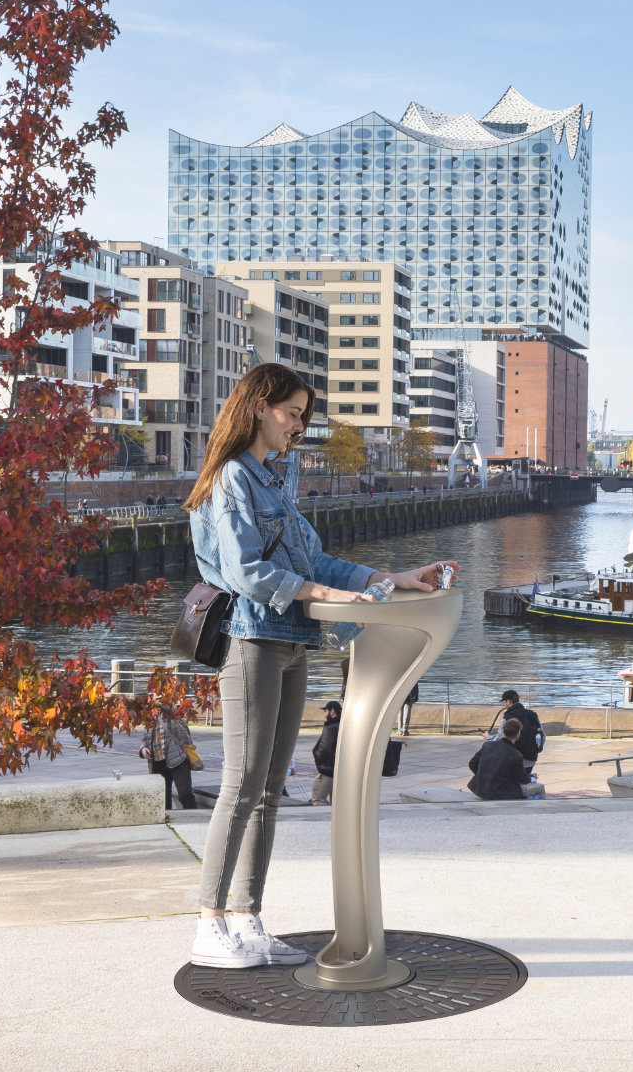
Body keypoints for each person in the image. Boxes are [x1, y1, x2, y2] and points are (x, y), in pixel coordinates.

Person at [184, 362, 457, 970]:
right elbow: (247, 573)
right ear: (259, 407)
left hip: (292, 642)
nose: (298, 426)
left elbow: (316, 561)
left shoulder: (275, 480)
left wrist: (391, 578)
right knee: (241, 786)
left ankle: (247, 919)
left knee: (269, 792)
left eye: (303, 416)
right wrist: (324, 595)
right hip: (251, 641)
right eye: (292, 413)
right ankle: (209, 925)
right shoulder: (232, 478)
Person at [138, 705, 197, 810]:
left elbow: (184, 733)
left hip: (178, 759)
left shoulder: (173, 712)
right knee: (163, 799)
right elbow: (145, 738)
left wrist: (167, 708)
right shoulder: (149, 716)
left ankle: (194, 817)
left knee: (185, 794)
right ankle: (167, 819)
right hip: (157, 762)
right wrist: (143, 749)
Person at [467, 718, 532, 800]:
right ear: (518, 734)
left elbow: (472, 763)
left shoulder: (488, 745)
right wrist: (531, 776)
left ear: (503, 732)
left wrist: (483, 776)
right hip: (500, 793)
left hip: (480, 789)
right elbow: (523, 779)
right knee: (539, 788)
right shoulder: (516, 755)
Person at [498, 689, 545, 780]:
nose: (504, 705)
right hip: (531, 758)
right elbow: (542, 736)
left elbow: (500, 739)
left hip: (514, 760)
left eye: (504, 702)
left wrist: (487, 737)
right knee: (523, 779)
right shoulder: (533, 714)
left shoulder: (507, 718)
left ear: (508, 701)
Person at [310, 701, 340, 805]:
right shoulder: (344, 725)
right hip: (340, 770)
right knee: (336, 802)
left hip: (328, 769)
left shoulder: (330, 727)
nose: (325, 714)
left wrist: (318, 758)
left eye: (326, 711)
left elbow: (325, 749)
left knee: (318, 799)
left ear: (332, 711)